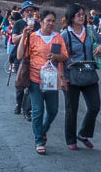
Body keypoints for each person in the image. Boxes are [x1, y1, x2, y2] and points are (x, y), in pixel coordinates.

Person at [16, 9, 68, 155]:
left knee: (53, 111)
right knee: (38, 111)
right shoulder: (33, 37)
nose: (51, 24)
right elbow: (20, 55)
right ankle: (39, 140)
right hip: (35, 79)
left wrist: (56, 57)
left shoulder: (58, 37)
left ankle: (43, 130)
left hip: (51, 80)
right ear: (41, 21)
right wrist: (23, 37)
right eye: (48, 20)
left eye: (53, 21)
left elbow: (65, 56)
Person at [61, 3, 101, 150]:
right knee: (71, 110)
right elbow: (59, 57)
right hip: (71, 76)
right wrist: (62, 78)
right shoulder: (65, 35)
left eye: (83, 14)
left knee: (95, 106)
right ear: (71, 17)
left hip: (89, 73)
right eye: (78, 14)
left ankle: (84, 133)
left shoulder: (90, 31)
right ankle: (70, 139)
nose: (81, 17)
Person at [12, 1, 39, 117]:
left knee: (30, 86)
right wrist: (24, 34)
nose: (29, 13)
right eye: (27, 10)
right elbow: (13, 40)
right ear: (22, 12)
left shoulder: (37, 25)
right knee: (20, 84)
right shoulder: (18, 23)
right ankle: (18, 103)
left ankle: (26, 109)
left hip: (34, 57)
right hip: (21, 57)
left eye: (31, 10)